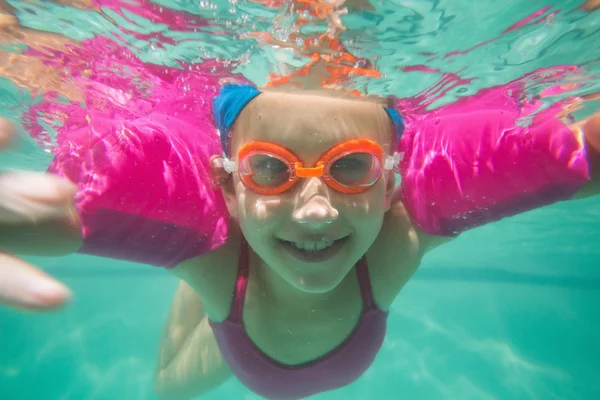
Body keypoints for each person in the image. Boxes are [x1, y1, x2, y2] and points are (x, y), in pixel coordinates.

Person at [1, 1, 600, 399]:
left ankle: (206, 266)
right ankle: (203, 276)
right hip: (235, 313)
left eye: (352, 167)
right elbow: (64, 216)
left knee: (204, 251)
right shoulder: (218, 249)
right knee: (166, 387)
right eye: (269, 169)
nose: (317, 209)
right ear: (230, 183)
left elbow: (581, 158)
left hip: (235, 260)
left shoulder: (399, 235)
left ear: (388, 182)